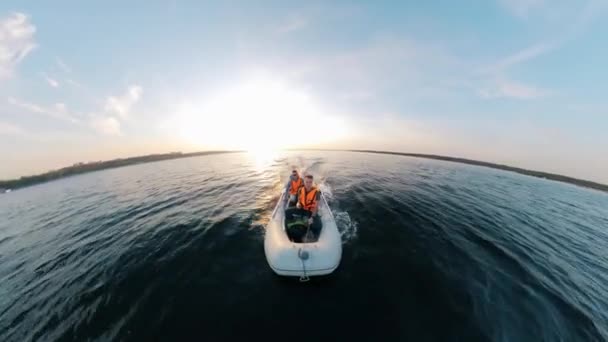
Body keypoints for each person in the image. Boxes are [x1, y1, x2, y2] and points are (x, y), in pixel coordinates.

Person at [285, 174, 322, 241]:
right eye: (307, 182)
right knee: (287, 211)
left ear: (312, 182)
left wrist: (312, 217)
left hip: (310, 211)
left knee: (318, 225)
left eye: (310, 182)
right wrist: (298, 204)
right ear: (304, 182)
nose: (308, 184)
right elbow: (299, 200)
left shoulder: (317, 192)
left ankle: (315, 238)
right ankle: (290, 228)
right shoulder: (300, 190)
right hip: (302, 209)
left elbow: (316, 206)